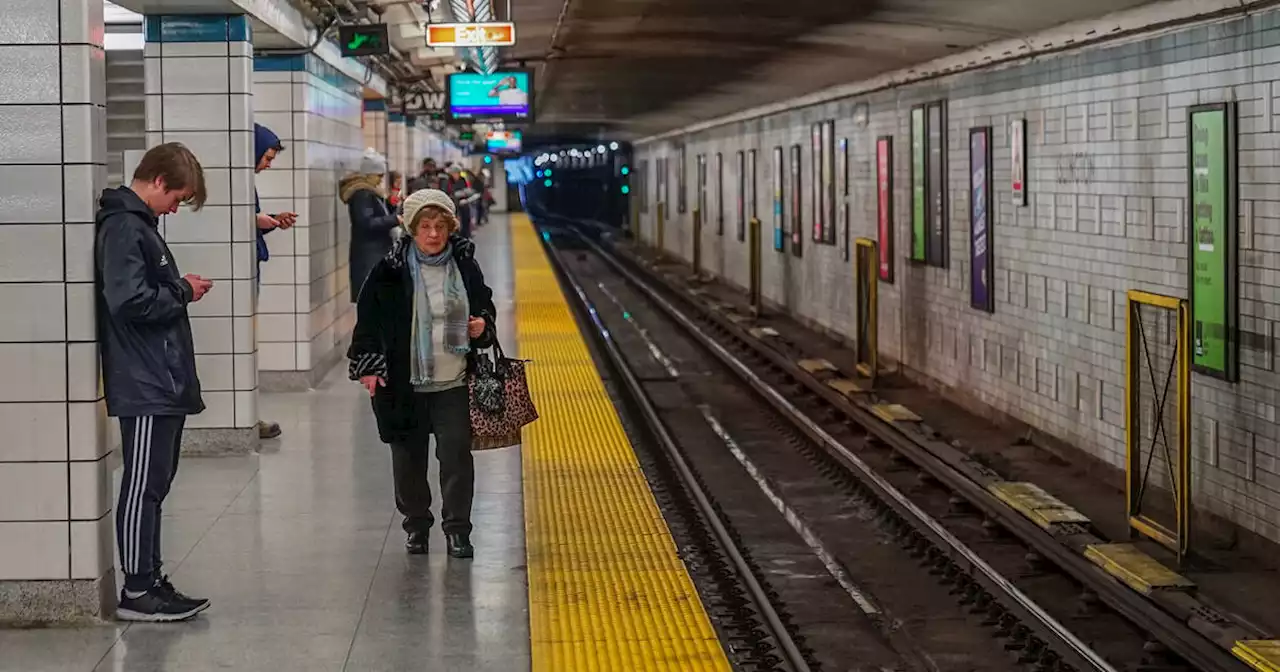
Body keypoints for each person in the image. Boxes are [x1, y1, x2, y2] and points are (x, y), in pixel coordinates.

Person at [96, 142, 213, 622]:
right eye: (178, 198)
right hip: (144, 379)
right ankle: (138, 590)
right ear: (159, 181)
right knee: (143, 484)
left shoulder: (140, 226)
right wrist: (183, 290)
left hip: (158, 377)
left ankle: (151, 577)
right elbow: (129, 303)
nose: (176, 208)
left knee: (156, 483)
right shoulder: (126, 227)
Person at [346, 189, 496, 558]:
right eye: (426, 226)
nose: (433, 235)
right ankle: (416, 525)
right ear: (412, 229)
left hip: (454, 380)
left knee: (457, 457)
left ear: (450, 228)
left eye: (441, 226)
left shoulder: (465, 266)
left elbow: (485, 309)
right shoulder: (388, 272)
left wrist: (482, 326)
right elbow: (368, 323)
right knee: (408, 460)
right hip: (403, 382)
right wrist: (368, 367)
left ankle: (457, 529)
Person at [252, 123, 295, 440]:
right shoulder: (235, 182)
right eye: (266, 158)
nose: (268, 165)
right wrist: (257, 221)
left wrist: (267, 221)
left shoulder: (245, 183)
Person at [341, 148, 401, 302]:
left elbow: (376, 216)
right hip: (369, 255)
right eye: (379, 176)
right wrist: (396, 219)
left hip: (375, 253)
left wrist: (391, 205)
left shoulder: (370, 192)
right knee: (373, 299)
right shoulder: (362, 194)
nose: (381, 180)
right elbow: (366, 223)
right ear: (369, 174)